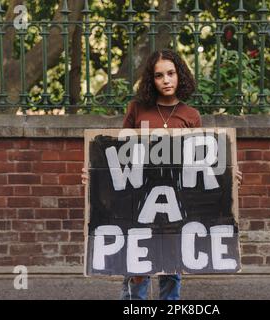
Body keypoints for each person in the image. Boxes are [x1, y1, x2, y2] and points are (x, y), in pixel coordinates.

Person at [81, 49, 242, 300]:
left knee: (172, 265)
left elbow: (199, 160)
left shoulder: (191, 116)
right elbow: (119, 151)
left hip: (176, 202)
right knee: (137, 265)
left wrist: (227, 177)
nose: (166, 80)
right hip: (137, 199)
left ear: (180, 76)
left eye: (171, 74)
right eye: (159, 75)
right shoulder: (137, 109)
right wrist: (96, 175)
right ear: (151, 80)